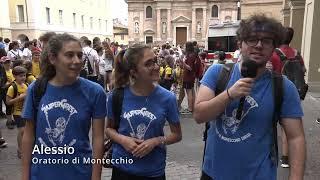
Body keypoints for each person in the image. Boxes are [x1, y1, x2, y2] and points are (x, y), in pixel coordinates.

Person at [194, 15, 306, 180]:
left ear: (274, 47)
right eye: (252, 39)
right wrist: (229, 94)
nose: (259, 45)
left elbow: (296, 137)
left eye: (266, 41)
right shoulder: (217, 73)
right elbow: (199, 115)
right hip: (214, 173)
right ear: (240, 43)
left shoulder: (283, 87)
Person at [21, 33, 106, 180]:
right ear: (53, 58)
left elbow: (98, 139)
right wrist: (24, 176)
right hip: (41, 174)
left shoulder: (95, 92)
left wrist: (96, 176)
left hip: (79, 173)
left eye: (80, 55)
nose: (77, 61)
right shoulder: (36, 89)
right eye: (69, 55)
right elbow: (28, 135)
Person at [106, 44, 182, 180]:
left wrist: (156, 141)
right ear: (133, 72)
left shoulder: (167, 98)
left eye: (156, 61)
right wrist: (123, 140)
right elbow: (109, 130)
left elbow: (177, 135)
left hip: (153, 171)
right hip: (122, 169)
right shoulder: (116, 96)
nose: (157, 67)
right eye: (148, 64)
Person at [269, 27, 307, 168]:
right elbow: (303, 71)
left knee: (274, 124)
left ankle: (283, 156)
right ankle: (287, 157)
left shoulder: (275, 54)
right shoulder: (297, 53)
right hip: (295, 92)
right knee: (291, 126)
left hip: (278, 91)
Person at [6, 66, 28, 158]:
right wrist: (20, 97)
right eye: (21, 76)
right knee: (22, 131)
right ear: (14, 76)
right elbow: (8, 102)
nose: (23, 77)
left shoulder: (26, 85)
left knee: (26, 131)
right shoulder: (12, 87)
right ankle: (20, 149)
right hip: (17, 112)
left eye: (24, 75)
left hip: (26, 111)